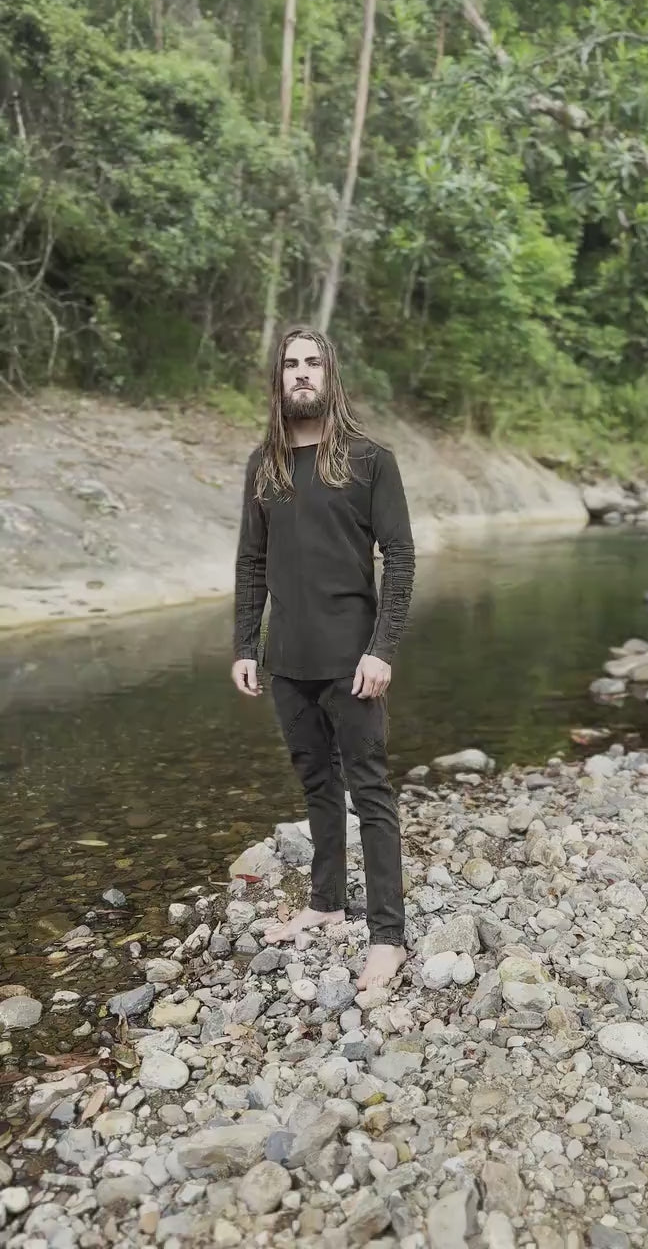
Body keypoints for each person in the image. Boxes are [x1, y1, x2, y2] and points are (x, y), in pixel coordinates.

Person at [231, 326, 415, 989]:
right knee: (316, 784)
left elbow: (400, 557)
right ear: (278, 378)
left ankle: (388, 937)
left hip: (353, 661)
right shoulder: (266, 464)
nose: (302, 373)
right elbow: (252, 562)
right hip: (286, 659)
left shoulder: (370, 460)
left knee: (371, 791)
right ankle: (327, 903)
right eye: (291, 364)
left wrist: (381, 650)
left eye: (312, 362)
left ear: (330, 375)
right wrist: (245, 645)